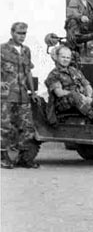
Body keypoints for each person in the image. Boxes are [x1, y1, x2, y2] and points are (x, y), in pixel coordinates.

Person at [1, 22, 38, 169]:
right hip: (6, 95)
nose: (22, 36)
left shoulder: (26, 51)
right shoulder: (2, 49)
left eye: (24, 34)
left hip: (23, 95)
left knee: (26, 126)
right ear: (12, 33)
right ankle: (3, 158)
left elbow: (28, 71)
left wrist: (33, 92)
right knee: (5, 127)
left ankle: (24, 158)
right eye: (19, 33)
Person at [45, 46, 93, 125]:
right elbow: (59, 92)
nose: (65, 60)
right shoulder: (54, 75)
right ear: (57, 57)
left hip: (81, 99)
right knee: (74, 95)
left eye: (68, 58)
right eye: (63, 57)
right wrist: (77, 94)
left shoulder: (74, 70)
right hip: (62, 103)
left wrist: (88, 97)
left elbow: (87, 85)